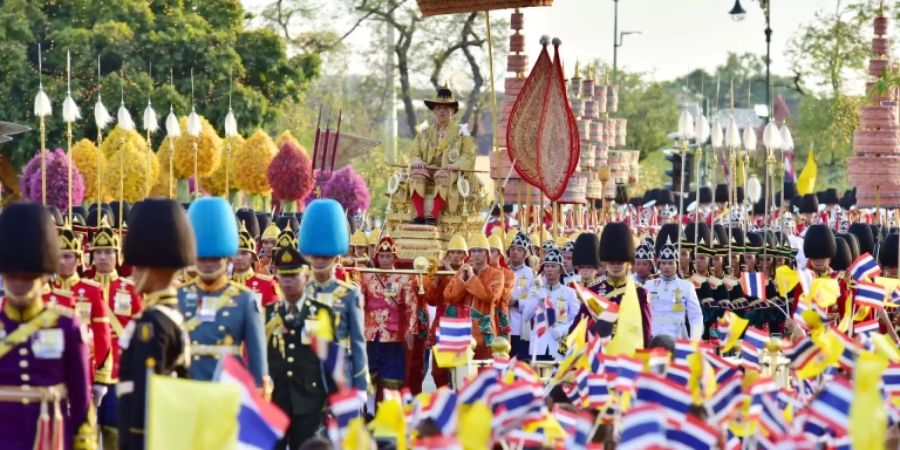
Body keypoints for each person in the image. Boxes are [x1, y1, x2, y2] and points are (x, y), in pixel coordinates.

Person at [0, 203, 95, 450]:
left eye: (28, 276)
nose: (19, 283)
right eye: (12, 276)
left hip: (50, 437)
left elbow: (80, 398)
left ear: (42, 275)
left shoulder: (66, 326)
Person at [116, 199, 194, 450]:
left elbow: (147, 397)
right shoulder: (170, 315)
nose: (132, 273)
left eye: (138, 266)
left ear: (155, 268)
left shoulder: (153, 325)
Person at [178, 197, 268, 386]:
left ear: (227, 258)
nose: (209, 264)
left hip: (229, 391)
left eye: (215, 259)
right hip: (188, 390)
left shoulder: (245, 300)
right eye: (202, 258)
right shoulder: (180, 296)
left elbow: (257, 361)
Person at [265, 246, 334, 449]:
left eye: (294, 276)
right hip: (275, 398)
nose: (287, 281)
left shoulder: (321, 313)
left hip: (310, 399)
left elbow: (330, 359)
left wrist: (332, 398)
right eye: (283, 276)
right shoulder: (267, 313)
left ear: (306, 276)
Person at [298, 199, 368, 395]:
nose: (320, 261)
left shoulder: (349, 293)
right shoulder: (299, 292)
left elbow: (357, 342)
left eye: (326, 257)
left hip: (339, 371)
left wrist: (361, 385)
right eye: (316, 256)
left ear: (337, 257)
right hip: (305, 372)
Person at [90, 218, 142, 448]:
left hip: (119, 371)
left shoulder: (130, 290)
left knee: (114, 431)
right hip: (88, 369)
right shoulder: (80, 289)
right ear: (91, 256)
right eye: (98, 251)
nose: (103, 256)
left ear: (118, 256)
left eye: (108, 251)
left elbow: (140, 331)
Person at [53, 222, 114, 406]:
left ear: (79, 260)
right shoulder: (45, 292)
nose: (62, 261)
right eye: (58, 257)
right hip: (51, 372)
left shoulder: (92, 291)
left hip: (84, 369)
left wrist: (101, 378)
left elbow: (102, 335)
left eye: (68, 256)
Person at [408, 86, 477, 225]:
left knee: (442, 175)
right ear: (434, 111)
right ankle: (420, 216)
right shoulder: (425, 132)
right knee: (416, 174)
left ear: (452, 111)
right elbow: (414, 153)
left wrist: (456, 165)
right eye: (438, 108)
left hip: (449, 170)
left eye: (446, 108)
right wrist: (417, 161)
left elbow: (468, 155)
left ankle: (433, 216)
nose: (442, 111)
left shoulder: (462, 133)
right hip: (428, 167)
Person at [360, 236, 416, 397]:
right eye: (382, 256)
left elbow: (411, 305)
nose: (385, 259)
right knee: (369, 371)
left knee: (392, 373)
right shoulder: (367, 276)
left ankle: (390, 409)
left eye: (388, 256)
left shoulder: (404, 277)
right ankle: (369, 411)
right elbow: (359, 302)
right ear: (377, 257)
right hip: (370, 331)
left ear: (395, 258)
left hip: (393, 333)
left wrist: (411, 330)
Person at [444, 233, 503, 359]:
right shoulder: (463, 271)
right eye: (473, 251)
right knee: (460, 375)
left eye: (480, 251)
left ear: (487, 253)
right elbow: (449, 297)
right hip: (462, 332)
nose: (476, 254)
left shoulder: (497, 274)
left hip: (484, 332)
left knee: (484, 372)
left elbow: (490, 297)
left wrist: (471, 278)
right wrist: (461, 279)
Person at [591, 223, 652, 346]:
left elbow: (646, 330)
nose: (615, 266)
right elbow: (580, 324)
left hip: (629, 355)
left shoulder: (639, 292)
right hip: (600, 353)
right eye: (612, 261)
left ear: (628, 262)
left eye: (620, 261)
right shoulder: (593, 291)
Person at [423, 234, 467, 387]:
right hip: (441, 325)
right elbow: (432, 301)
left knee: (460, 370)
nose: (455, 256)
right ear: (447, 254)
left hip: (461, 326)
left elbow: (459, 294)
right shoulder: (439, 271)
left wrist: (448, 270)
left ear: (465, 254)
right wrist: (434, 283)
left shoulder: (469, 271)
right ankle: (442, 400)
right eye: (452, 252)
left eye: (459, 252)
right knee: (438, 371)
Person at [523, 248, 580, 360]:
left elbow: (576, 319)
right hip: (538, 345)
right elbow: (526, 316)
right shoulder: (535, 291)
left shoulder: (569, 293)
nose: (549, 269)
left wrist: (563, 330)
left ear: (561, 270)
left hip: (558, 343)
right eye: (547, 266)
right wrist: (537, 300)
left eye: (553, 266)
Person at [644, 238, 703, 340]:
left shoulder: (687, 287)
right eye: (664, 263)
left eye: (671, 263)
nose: (667, 267)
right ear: (659, 265)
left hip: (676, 336)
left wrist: (695, 340)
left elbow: (696, 316)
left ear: (677, 265)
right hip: (653, 335)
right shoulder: (649, 285)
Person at [232, 224, 279, 309]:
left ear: (253, 257)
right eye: (236, 253)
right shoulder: (222, 284)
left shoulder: (267, 284)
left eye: (244, 253)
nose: (239, 257)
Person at [506, 231, 535, 359]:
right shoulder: (502, 271)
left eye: (519, 250)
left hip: (522, 326)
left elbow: (537, 300)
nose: (515, 252)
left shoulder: (532, 274)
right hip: (503, 324)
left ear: (525, 253)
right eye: (512, 249)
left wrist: (516, 303)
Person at [488, 233, 513, 342]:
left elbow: (503, 296)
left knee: (501, 351)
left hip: (500, 315)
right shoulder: (479, 272)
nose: (489, 255)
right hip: (485, 315)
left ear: (499, 254)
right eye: (487, 251)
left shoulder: (508, 274)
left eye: (492, 251)